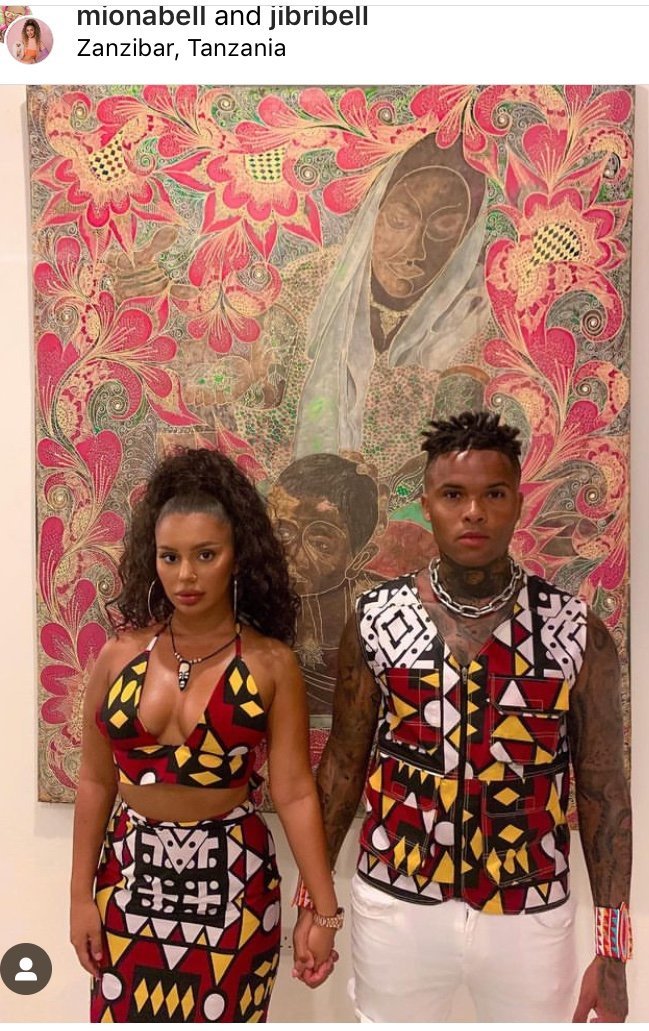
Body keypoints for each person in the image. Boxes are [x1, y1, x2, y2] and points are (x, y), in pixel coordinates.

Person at [293, 410, 632, 1022]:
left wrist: (612, 951)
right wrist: (315, 906)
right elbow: (341, 768)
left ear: (518, 504)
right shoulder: (376, 620)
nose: (473, 512)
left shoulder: (575, 631)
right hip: (397, 905)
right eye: (454, 494)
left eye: (493, 494)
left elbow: (604, 792)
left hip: (530, 912)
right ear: (427, 505)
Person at [70, 447, 341, 1023]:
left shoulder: (271, 663)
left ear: (237, 556)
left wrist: (324, 910)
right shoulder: (119, 656)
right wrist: (79, 898)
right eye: (170, 557)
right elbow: (95, 781)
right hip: (128, 879)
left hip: (235, 884)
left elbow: (294, 791)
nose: (185, 575)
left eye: (206, 555)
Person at [294, 134, 489, 457]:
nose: (415, 251)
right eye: (399, 222)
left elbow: (459, 450)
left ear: (467, 238)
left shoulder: (473, 312)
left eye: (444, 227)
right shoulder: (305, 284)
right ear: (373, 215)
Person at [268, 453, 381, 714]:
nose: (294, 554)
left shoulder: (381, 615)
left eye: (320, 544)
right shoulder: (249, 602)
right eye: (283, 532)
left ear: (360, 559)